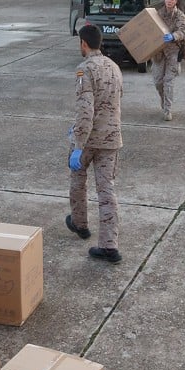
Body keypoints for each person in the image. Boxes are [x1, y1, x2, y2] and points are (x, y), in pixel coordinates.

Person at [65, 24, 123, 263]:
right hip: (111, 138)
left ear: (83, 43)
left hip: (90, 139)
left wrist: (78, 143)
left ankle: (80, 223)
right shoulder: (114, 67)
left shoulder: (84, 70)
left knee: (78, 180)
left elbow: (85, 110)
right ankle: (110, 246)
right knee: (106, 189)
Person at [151, 0, 185, 121]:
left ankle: (168, 109)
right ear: (165, 0)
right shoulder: (158, 14)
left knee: (168, 81)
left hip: (173, 51)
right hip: (159, 52)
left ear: (175, 1)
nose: (169, 1)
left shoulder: (180, 16)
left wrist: (173, 36)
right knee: (158, 82)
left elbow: (182, 31)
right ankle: (164, 100)